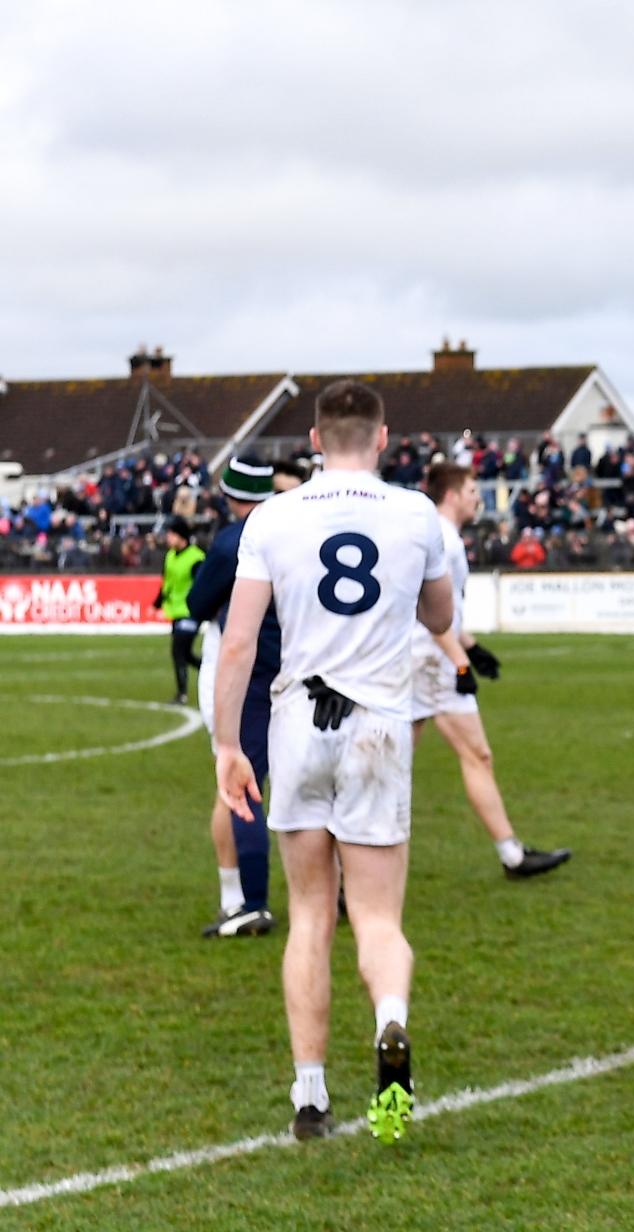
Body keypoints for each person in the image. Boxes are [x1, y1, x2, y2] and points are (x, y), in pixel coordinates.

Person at [214, 380, 453, 1144]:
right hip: (377, 725)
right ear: (382, 438)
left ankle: (311, 1094)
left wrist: (227, 745)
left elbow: (239, 643)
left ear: (315, 440)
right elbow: (441, 615)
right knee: (378, 918)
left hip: (298, 724)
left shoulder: (273, 517)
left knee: (311, 916)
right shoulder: (415, 513)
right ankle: (389, 1022)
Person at [411, 461, 572, 879]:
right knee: (476, 754)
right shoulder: (443, 539)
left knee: (392, 767)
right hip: (432, 661)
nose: (476, 499)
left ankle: (346, 870)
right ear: (451, 495)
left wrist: (471, 646)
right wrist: (460, 660)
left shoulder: (437, 534)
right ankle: (511, 854)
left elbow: (438, 612)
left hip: (422, 656)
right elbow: (429, 613)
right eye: (470, 491)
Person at [185, 454, 281, 937]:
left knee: (237, 784)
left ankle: (244, 899)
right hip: (309, 671)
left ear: (228, 494)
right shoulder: (296, 527)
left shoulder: (231, 541)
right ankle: (341, 888)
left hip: (252, 677)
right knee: (319, 789)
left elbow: (197, 603)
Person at [156, 516, 205, 704]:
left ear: (181, 536)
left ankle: (181, 694)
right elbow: (167, 582)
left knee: (178, 651)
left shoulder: (196, 558)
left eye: (171, 534)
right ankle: (211, 670)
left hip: (190, 612)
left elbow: (202, 585)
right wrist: (158, 602)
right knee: (185, 654)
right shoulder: (170, 556)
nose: (168, 538)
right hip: (176, 610)